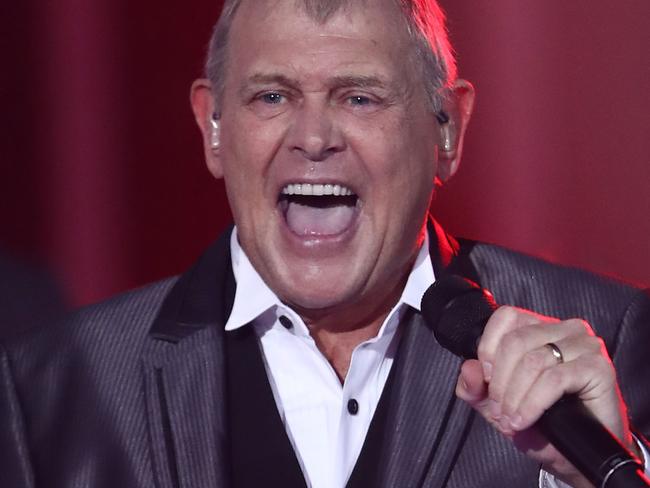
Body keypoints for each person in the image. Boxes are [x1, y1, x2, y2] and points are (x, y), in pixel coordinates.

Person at [1, 0, 648, 487]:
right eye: (273, 95)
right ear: (213, 130)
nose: (313, 138)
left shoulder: (610, 339)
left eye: (360, 97)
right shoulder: (55, 386)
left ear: (446, 130)